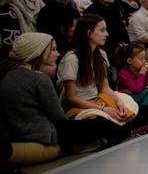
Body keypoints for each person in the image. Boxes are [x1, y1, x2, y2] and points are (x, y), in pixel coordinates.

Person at [0, 33, 106, 165]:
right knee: (98, 125)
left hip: (16, 133)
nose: (57, 54)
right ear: (39, 52)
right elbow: (58, 117)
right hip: (43, 137)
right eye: (53, 50)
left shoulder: (9, 76)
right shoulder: (39, 79)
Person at [58, 15, 148, 145]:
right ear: (89, 33)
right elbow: (71, 97)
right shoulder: (72, 59)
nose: (106, 34)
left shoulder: (101, 55)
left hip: (99, 100)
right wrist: (103, 110)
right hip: (81, 107)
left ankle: (117, 134)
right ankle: (127, 131)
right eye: (102, 30)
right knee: (102, 124)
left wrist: (118, 102)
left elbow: (104, 87)